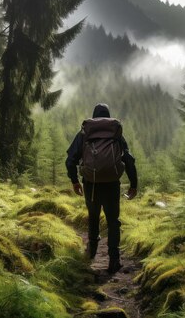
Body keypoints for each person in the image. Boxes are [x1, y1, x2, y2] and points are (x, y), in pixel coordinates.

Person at [66, 103, 138, 273]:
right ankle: (114, 260)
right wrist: (134, 184)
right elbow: (128, 160)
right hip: (112, 183)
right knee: (113, 222)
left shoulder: (84, 133)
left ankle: (91, 254)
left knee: (93, 217)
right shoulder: (116, 134)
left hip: (91, 183)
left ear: (94, 115)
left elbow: (70, 160)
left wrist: (75, 181)